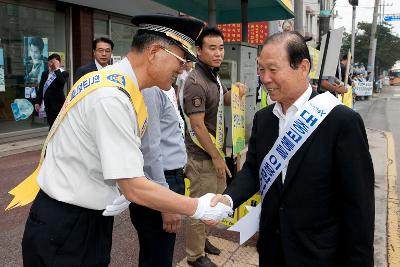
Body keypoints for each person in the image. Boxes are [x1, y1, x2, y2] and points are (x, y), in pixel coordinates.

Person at [20, 14, 233, 267]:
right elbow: (135, 186)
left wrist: (118, 187)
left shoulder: (114, 84)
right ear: (154, 51)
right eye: (181, 58)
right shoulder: (112, 97)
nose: (183, 67)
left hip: (79, 217)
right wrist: (198, 206)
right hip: (68, 225)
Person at [211, 31, 375, 267]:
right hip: (272, 250)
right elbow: (253, 170)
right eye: (261, 69)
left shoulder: (341, 121)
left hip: (319, 255)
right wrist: (227, 199)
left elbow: (358, 206)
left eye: (273, 69)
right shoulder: (264, 119)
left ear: (303, 67)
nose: (265, 78)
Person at [182, 27, 246, 267]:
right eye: (212, 48)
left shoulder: (212, 75)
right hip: (202, 157)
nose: (218, 53)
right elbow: (198, 126)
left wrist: (237, 91)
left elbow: (222, 99)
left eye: (220, 47)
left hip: (215, 153)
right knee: (201, 207)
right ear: (199, 51)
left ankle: (203, 242)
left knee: (215, 202)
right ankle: (194, 256)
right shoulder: (196, 82)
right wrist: (218, 158)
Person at [34, 53, 69, 128]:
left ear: (58, 62)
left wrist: (56, 69)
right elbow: (41, 89)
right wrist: (38, 102)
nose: (51, 64)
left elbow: (61, 82)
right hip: (47, 104)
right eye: (50, 62)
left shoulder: (63, 73)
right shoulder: (45, 74)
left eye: (53, 62)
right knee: (51, 123)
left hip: (58, 104)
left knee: (56, 125)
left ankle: (53, 139)